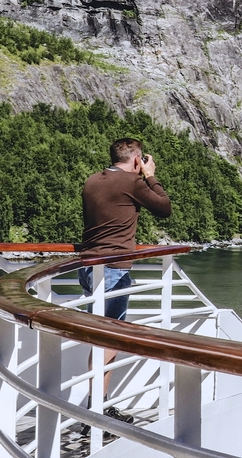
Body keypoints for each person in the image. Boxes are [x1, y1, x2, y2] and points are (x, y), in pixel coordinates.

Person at [79, 137, 172, 423]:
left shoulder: (92, 181)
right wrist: (151, 176)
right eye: (142, 160)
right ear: (136, 159)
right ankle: (98, 411)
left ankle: (98, 406)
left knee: (99, 337)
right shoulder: (133, 183)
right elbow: (164, 208)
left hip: (87, 266)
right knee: (110, 339)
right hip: (114, 269)